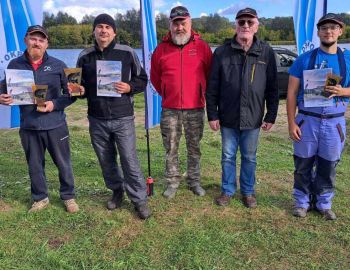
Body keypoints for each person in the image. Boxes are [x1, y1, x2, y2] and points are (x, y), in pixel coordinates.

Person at [76, 14, 151, 219]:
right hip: (97, 118)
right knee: (106, 160)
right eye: (99, 26)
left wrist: (129, 87)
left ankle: (139, 199)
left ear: (114, 31)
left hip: (123, 117)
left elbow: (142, 79)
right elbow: (79, 87)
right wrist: (79, 91)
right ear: (94, 31)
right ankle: (117, 191)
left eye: (108, 27)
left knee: (129, 159)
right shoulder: (85, 55)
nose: (103, 30)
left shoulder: (126, 53)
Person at [0, 25, 79, 213]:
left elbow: (74, 93)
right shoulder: (14, 65)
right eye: (33, 39)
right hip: (29, 125)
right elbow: (3, 87)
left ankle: (68, 196)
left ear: (47, 44)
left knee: (63, 162)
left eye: (41, 40)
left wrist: (54, 104)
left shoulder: (60, 64)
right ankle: (40, 198)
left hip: (56, 124)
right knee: (34, 164)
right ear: (26, 40)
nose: (37, 42)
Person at [206, 8, 278, 208]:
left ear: (256, 26)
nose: (245, 25)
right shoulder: (221, 52)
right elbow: (212, 87)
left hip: (253, 117)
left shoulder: (266, 51)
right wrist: (212, 114)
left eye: (249, 22)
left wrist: (271, 115)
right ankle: (228, 190)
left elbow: (272, 87)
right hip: (228, 116)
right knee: (227, 156)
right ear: (235, 25)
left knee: (249, 157)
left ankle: (248, 191)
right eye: (241, 22)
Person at [287, 13, 350, 220]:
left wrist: (344, 92)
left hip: (334, 122)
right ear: (318, 32)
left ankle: (323, 202)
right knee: (303, 163)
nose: (328, 31)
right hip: (308, 120)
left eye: (333, 27)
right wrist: (291, 123)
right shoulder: (304, 59)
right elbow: (292, 94)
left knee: (328, 164)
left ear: (340, 31)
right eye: (324, 28)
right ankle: (302, 202)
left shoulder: (347, 59)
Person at [150, 6, 212, 199]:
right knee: (171, 147)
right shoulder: (161, 50)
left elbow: (210, 75)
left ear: (190, 23)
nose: (179, 27)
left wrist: (200, 93)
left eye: (183, 23)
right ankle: (172, 182)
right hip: (170, 108)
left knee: (194, 147)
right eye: (175, 23)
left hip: (195, 107)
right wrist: (169, 93)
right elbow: (155, 78)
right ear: (170, 25)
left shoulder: (202, 47)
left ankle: (194, 181)